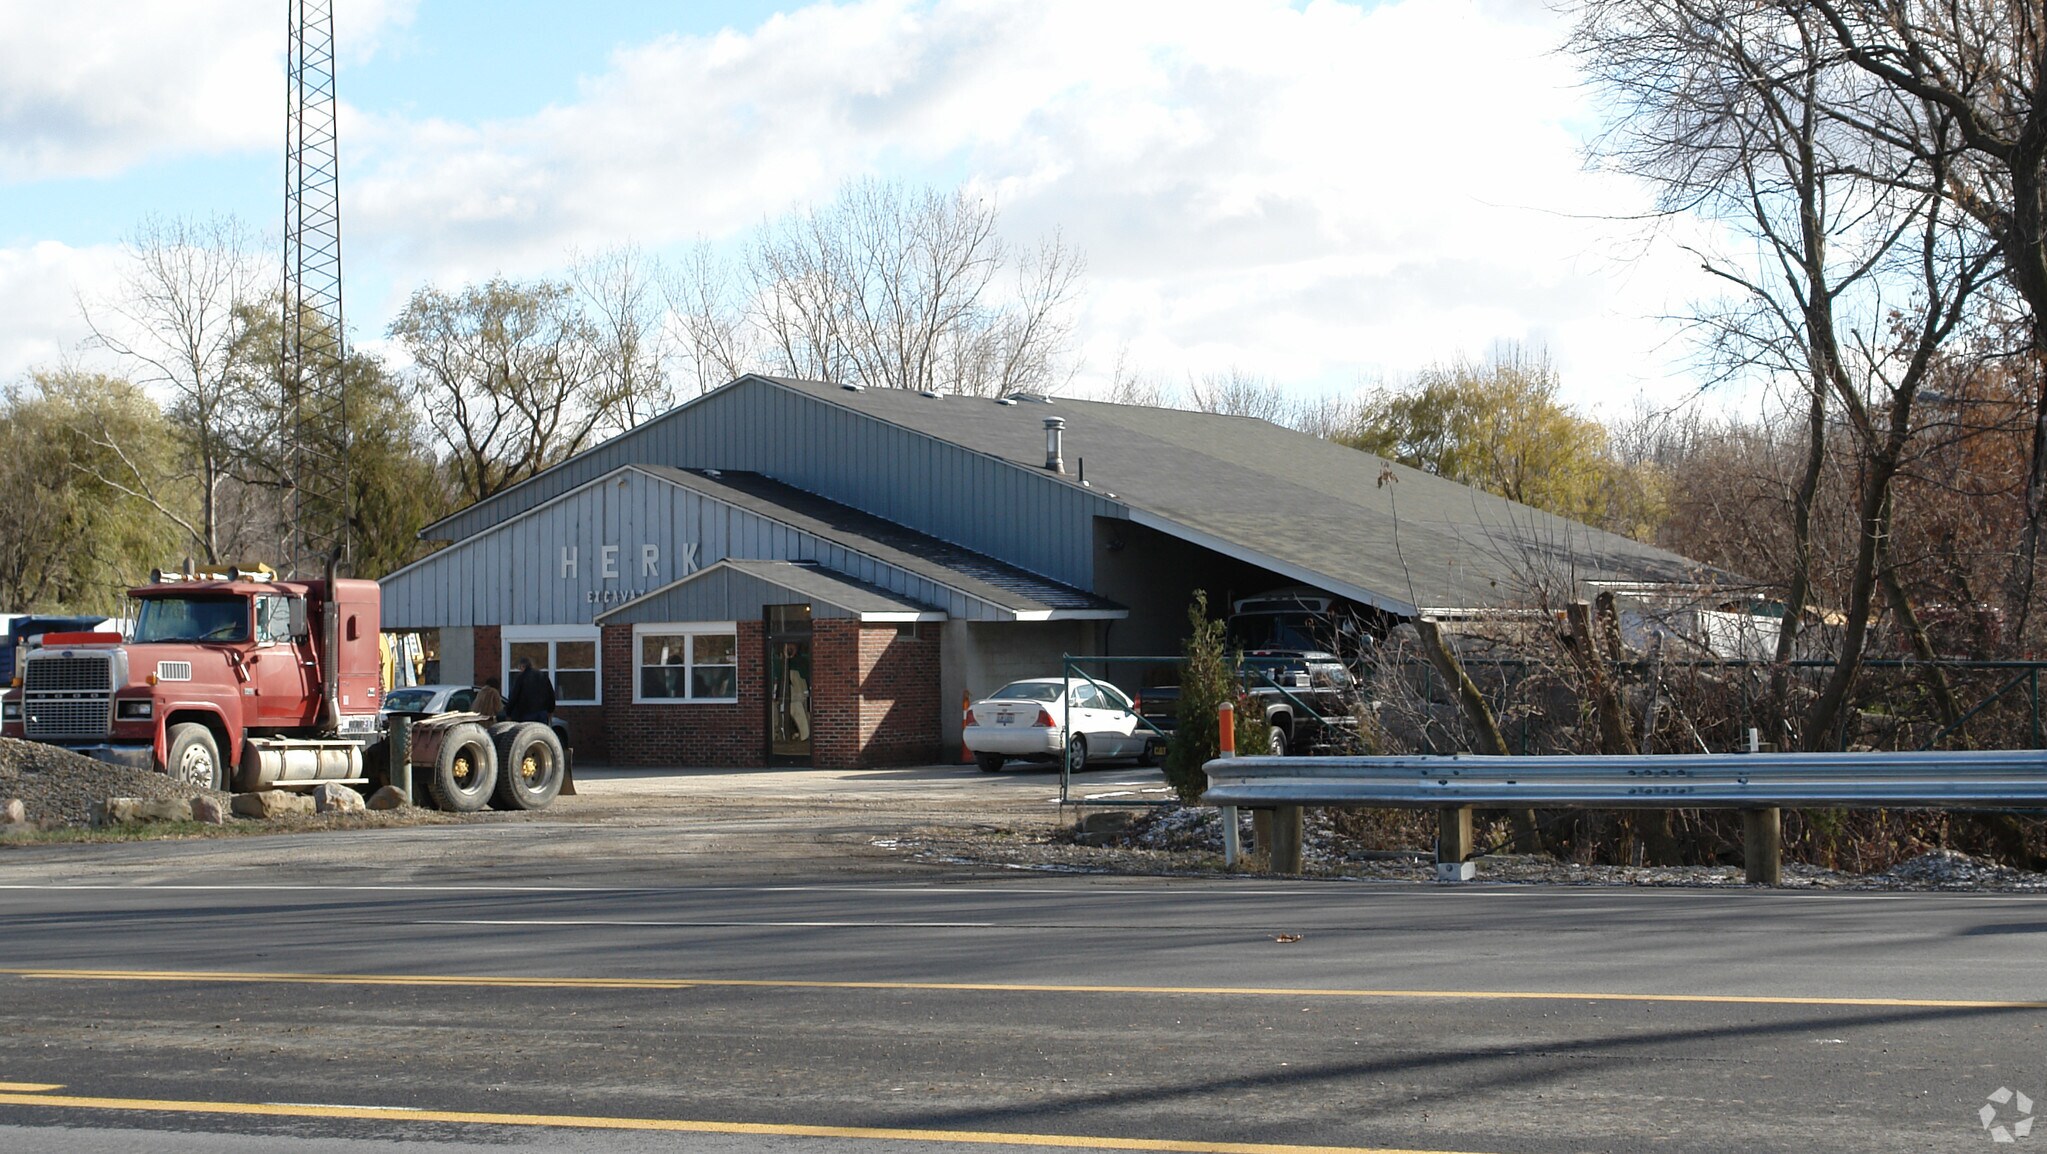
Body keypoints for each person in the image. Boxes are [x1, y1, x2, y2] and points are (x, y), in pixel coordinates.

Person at [507, 657, 555, 724]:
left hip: (526, 712)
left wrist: (509, 712)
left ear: (522, 666)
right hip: (542, 712)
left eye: (519, 668)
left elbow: (514, 696)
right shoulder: (543, 676)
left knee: (528, 732)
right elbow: (551, 694)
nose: (520, 670)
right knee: (541, 732)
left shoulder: (521, 677)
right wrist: (550, 710)